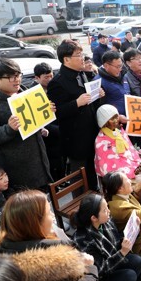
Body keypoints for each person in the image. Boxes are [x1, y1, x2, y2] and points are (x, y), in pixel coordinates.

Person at [0, 190, 98, 281]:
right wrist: (90, 269)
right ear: (34, 223)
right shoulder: (55, 266)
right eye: (48, 212)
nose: (53, 215)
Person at [0, 58, 53, 190]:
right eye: (11, 77)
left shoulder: (23, 91)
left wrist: (43, 118)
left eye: (18, 75)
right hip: (15, 172)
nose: (17, 80)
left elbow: (30, 120)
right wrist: (8, 129)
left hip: (39, 163)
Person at [48, 40, 105, 191]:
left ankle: (96, 203)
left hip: (91, 131)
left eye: (82, 54)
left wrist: (97, 96)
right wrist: (76, 103)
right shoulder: (57, 82)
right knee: (79, 178)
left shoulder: (82, 74)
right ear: (66, 59)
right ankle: (81, 208)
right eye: (78, 55)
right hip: (75, 139)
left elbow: (89, 103)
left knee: (93, 173)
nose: (83, 58)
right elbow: (57, 112)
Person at [73, 194, 141, 281]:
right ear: (93, 218)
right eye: (104, 210)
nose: (109, 211)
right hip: (99, 279)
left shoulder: (105, 222)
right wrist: (122, 253)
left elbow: (116, 241)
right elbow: (100, 269)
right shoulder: (82, 239)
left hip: (112, 262)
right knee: (129, 276)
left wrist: (133, 228)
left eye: (107, 207)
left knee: (138, 261)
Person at [94, 104, 141, 181]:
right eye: (112, 119)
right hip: (115, 169)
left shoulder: (120, 131)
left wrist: (137, 162)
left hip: (126, 162)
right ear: (104, 121)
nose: (116, 121)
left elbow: (130, 150)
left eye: (116, 117)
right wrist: (130, 170)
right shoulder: (100, 141)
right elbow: (107, 165)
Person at [95, 51, 130, 116]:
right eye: (117, 67)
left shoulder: (123, 75)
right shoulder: (98, 83)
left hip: (130, 116)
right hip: (115, 122)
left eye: (121, 65)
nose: (120, 69)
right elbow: (100, 110)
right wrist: (117, 118)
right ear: (106, 66)